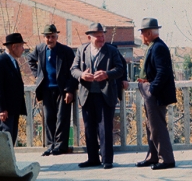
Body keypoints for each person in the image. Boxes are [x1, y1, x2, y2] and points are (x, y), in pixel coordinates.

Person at [71, 22, 124, 169]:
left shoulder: (111, 50)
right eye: (97, 37)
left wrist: (107, 74)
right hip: (87, 95)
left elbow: (120, 69)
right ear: (89, 37)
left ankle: (107, 160)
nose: (101, 39)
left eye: (102, 36)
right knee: (89, 128)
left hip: (105, 95)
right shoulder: (81, 50)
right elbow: (73, 69)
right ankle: (92, 158)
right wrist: (82, 75)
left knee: (105, 128)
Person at [27, 24, 77, 156]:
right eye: (48, 37)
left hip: (62, 90)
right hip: (46, 89)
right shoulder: (40, 49)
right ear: (44, 38)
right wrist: (38, 75)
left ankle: (60, 146)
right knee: (48, 118)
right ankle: (50, 145)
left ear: (57, 37)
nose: (50, 39)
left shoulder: (65, 51)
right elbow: (30, 60)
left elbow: (74, 72)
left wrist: (69, 90)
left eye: (53, 37)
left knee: (62, 118)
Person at [134, 18, 177, 170]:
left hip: (156, 95)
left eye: (143, 33)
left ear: (149, 33)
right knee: (151, 126)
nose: (141, 36)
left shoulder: (158, 47)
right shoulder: (155, 46)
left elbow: (163, 72)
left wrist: (152, 90)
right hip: (153, 92)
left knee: (157, 126)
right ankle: (153, 156)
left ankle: (166, 159)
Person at [0, 32, 28, 145]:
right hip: (5, 109)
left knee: (12, 136)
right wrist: (1, 109)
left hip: (14, 108)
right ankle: (4, 162)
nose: (23, 49)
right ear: (14, 47)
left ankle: (10, 162)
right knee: (6, 137)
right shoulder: (0, 62)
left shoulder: (13, 61)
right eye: (21, 46)